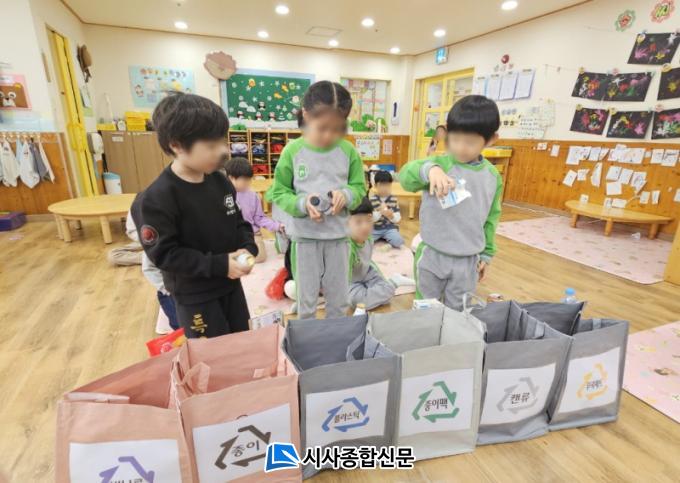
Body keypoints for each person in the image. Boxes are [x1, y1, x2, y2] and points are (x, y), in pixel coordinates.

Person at [132, 93, 258, 338]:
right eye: (211, 146)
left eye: (222, 141)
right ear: (177, 145)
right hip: (195, 295)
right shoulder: (155, 199)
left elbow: (239, 222)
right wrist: (219, 265)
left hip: (230, 285)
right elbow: (165, 254)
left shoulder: (221, 182)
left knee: (241, 340)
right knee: (210, 352)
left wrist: (247, 248)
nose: (223, 151)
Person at [271, 80, 366, 320]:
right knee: (306, 300)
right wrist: (302, 203)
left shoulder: (348, 152)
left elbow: (359, 188)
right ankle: (308, 337)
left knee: (339, 299)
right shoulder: (293, 151)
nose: (329, 135)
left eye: (337, 128)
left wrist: (346, 195)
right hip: (305, 239)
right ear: (306, 115)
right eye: (322, 127)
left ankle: (335, 336)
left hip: (339, 239)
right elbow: (279, 192)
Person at [400, 95, 503, 310]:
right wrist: (430, 170)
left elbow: (491, 218)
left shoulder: (492, 176)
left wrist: (486, 254)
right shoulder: (439, 163)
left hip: (467, 260)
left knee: (459, 310)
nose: (461, 148)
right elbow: (405, 177)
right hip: (432, 254)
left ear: (491, 139)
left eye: (470, 142)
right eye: (455, 139)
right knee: (426, 308)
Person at [348, 197, 414, 310]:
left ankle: (392, 283)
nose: (365, 226)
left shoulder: (369, 239)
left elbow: (369, 263)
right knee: (359, 301)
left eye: (368, 220)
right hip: (350, 280)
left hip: (366, 272)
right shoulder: (345, 247)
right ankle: (392, 284)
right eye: (358, 222)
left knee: (382, 291)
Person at [224, 157, 284, 263]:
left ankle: (237, 257)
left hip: (251, 234)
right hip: (231, 236)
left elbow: (259, 218)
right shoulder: (223, 194)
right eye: (245, 180)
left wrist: (276, 226)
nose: (248, 183)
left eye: (249, 179)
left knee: (259, 256)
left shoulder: (253, 196)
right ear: (231, 178)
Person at [369, 170, 404, 248]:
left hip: (389, 228)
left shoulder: (394, 199)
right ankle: (383, 238)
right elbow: (370, 219)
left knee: (399, 242)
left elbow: (398, 219)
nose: (385, 188)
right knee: (365, 241)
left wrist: (391, 216)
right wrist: (380, 212)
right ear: (375, 186)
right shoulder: (372, 200)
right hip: (375, 229)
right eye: (382, 185)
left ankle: (386, 237)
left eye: (387, 185)